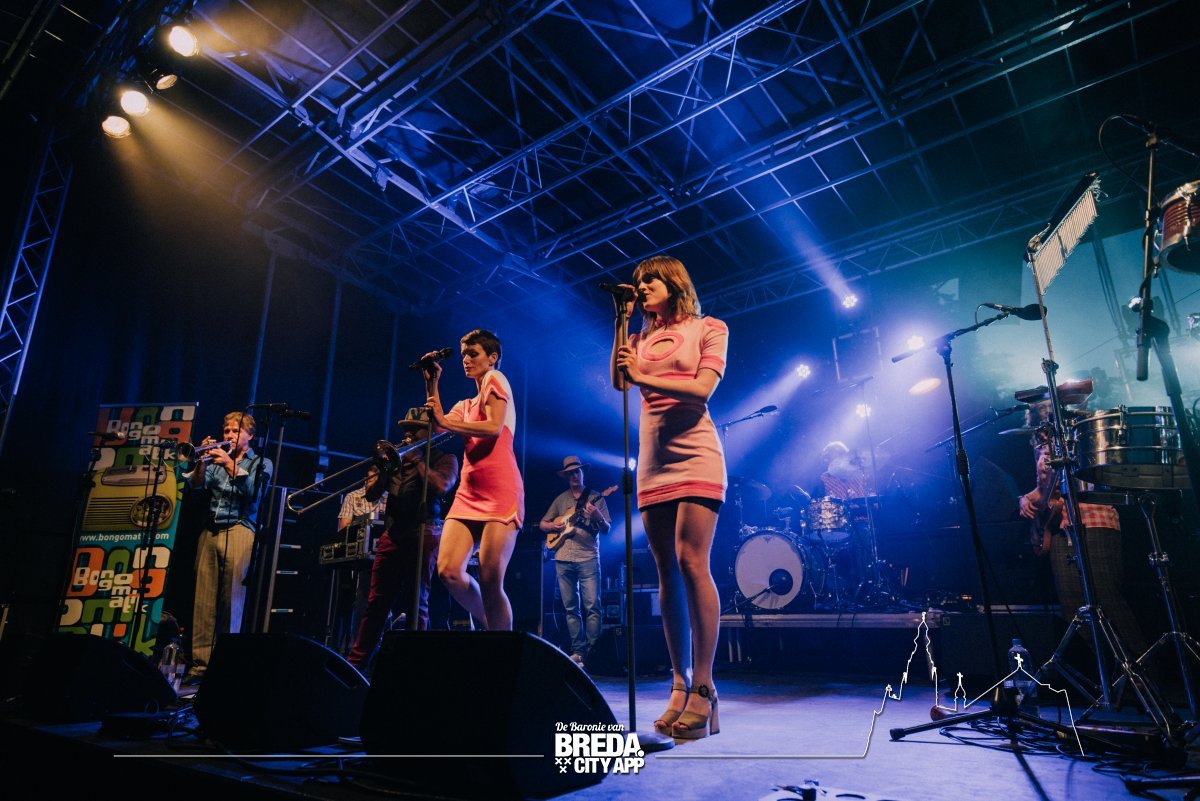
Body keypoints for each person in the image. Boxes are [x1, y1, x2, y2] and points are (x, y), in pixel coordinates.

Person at [611, 254, 728, 739]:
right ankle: (679, 683)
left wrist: (643, 376)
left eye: (650, 280)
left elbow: (702, 390)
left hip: (697, 454)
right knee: (665, 572)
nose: (641, 288)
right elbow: (620, 380)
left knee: (690, 560)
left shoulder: (709, 328)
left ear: (674, 282)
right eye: (638, 283)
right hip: (653, 462)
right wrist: (620, 323)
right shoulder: (638, 339)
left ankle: (705, 685)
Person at [1016, 400, 1148, 665]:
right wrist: (1024, 499)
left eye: (1050, 404)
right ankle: (1113, 672)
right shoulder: (1040, 442)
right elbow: (1044, 490)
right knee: (1073, 608)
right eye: (1040, 407)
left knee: (1107, 600)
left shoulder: (1082, 429)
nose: (1046, 410)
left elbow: (1094, 476)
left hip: (1093, 520)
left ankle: (1143, 673)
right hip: (1059, 528)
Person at [423, 330, 524, 631]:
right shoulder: (465, 405)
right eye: (464, 354)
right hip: (468, 494)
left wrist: (444, 420)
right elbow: (439, 427)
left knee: (491, 578)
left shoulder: (495, 377)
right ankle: (492, 624)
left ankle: (502, 645)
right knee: (448, 570)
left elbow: (493, 427)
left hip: (500, 490)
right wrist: (431, 382)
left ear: (492, 357)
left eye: (473, 353)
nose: (466, 359)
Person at [346, 408, 459, 671]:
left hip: (424, 533)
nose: (407, 435)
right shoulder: (393, 458)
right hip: (393, 534)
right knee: (376, 603)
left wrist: (418, 461)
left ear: (428, 433)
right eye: (405, 429)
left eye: (413, 429)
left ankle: (413, 663)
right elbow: (371, 495)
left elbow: (442, 487)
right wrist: (385, 470)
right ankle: (356, 663)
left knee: (417, 602)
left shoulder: (445, 458)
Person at [185, 411, 272, 682]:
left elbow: (255, 493)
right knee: (203, 602)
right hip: (210, 530)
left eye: (235, 431)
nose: (229, 436)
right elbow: (196, 485)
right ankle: (200, 666)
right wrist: (200, 460)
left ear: (250, 435)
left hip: (239, 529)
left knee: (232, 601)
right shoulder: (215, 460)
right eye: (226, 431)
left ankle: (226, 667)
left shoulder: (261, 462)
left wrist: (229, 464)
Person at [539, 455, 611, 668]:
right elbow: (543, 524)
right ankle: (579, 652)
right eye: (570, 473)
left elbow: (607, 529)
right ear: (566, 476)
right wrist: (554, 526)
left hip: (588, 557)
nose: (573, 475)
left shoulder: (596, 498)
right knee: (571, 608)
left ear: (582, 473)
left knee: (592, 606)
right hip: (563, 558)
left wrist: (597, 516)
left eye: (576, 471)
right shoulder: (560, 500)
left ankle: (594, 652)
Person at [332, 464, 387, 652]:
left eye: (377, 477)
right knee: (362, 599)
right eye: (370, 477)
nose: (373, 481)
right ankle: (356, 645)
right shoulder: (353, 496)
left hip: (385, 557)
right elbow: (343, 529)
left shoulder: (389, 497)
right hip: (360, 561)